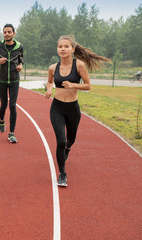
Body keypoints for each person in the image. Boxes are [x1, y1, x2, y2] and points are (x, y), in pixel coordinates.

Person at [45, 35, 110, 187]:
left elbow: (88, 85)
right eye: (60, 46)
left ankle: (68, 148)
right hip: (57, 108)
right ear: (57, 49)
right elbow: (49, 81)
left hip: (73, 109)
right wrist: (48, 91)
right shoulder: (53, 67)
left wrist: (73, 85)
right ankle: (62, 173)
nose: (63, 49)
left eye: (66, 46)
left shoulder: (79, 65)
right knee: (60, 140)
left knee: (70, 140)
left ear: (73, 49)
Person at [0, 24, 24, 143]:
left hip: (14, 80)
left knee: (12, 105)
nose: (7, 34)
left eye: (9, 32)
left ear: (14, 34)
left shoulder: (19, 47)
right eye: (5, 32)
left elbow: (21, 59)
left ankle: (12, 133)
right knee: (3, 104)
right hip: (1, 80)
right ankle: (1, 119)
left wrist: (20, 66)